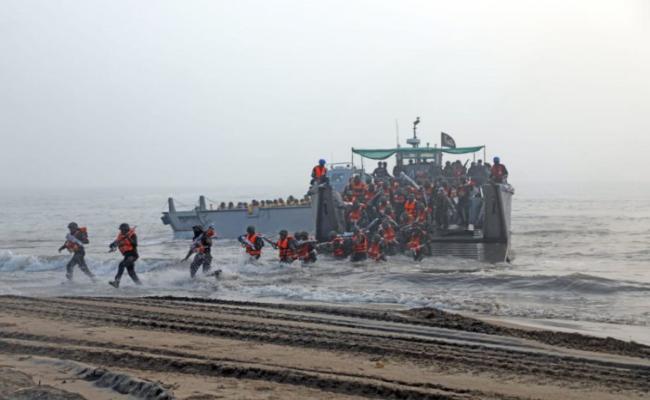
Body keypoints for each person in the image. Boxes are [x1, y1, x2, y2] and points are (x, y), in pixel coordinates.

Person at [108, 223, 142, 288]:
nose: (121, 231)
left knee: (122, 265)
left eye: (122, 230)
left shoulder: (133, 235)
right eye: (121, 230)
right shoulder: (120, 237)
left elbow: (135, 244)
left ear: (127, 229)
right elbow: (113, 244)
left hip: (133, 255)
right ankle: (140, 285)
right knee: (131, 273)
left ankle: (117, 282)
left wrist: (128, 238)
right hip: (127, 256)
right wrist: (112, 246)